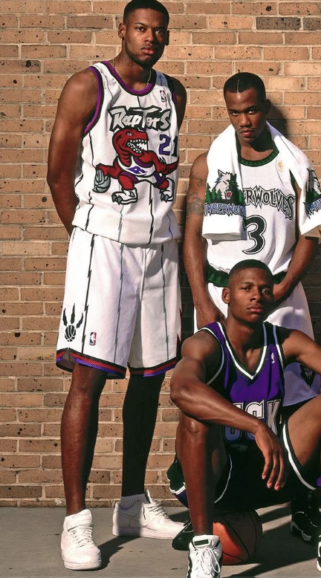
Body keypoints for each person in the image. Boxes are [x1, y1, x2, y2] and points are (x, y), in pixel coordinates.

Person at [47, 0, 186, 569]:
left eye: (159, 31)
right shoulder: (89, 85)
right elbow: (57, 171)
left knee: (149, 379)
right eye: (141, 28)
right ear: (122, 30)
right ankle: (76, 520)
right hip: (102, 246)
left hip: (159, 248)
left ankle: (130, 503)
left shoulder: (173, 93)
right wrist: (86, 232)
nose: (150, 38)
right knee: (88, 380)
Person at [168, 260, 321, 578]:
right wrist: (255, 425)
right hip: (218, 477)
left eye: (264, 289)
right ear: (226, 295)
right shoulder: (206, 343)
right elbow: (181, 389)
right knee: (194, 422)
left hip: (272, 470)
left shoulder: (284, 340)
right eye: (246, 288)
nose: (257, 296)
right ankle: (204, 545)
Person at [180, 71, 321, 547]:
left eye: (251, 110)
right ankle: (207, 505)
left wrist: (286, 284)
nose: (244, 121)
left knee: (298, 401)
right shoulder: (209, 164)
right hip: (224, 294)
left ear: (264, 108)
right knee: (211, 402)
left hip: (279, 294)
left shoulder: (292, 164)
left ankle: (305, 503)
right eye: (234, 112)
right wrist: (202, 296)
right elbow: (191, 236)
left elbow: (312, 230)